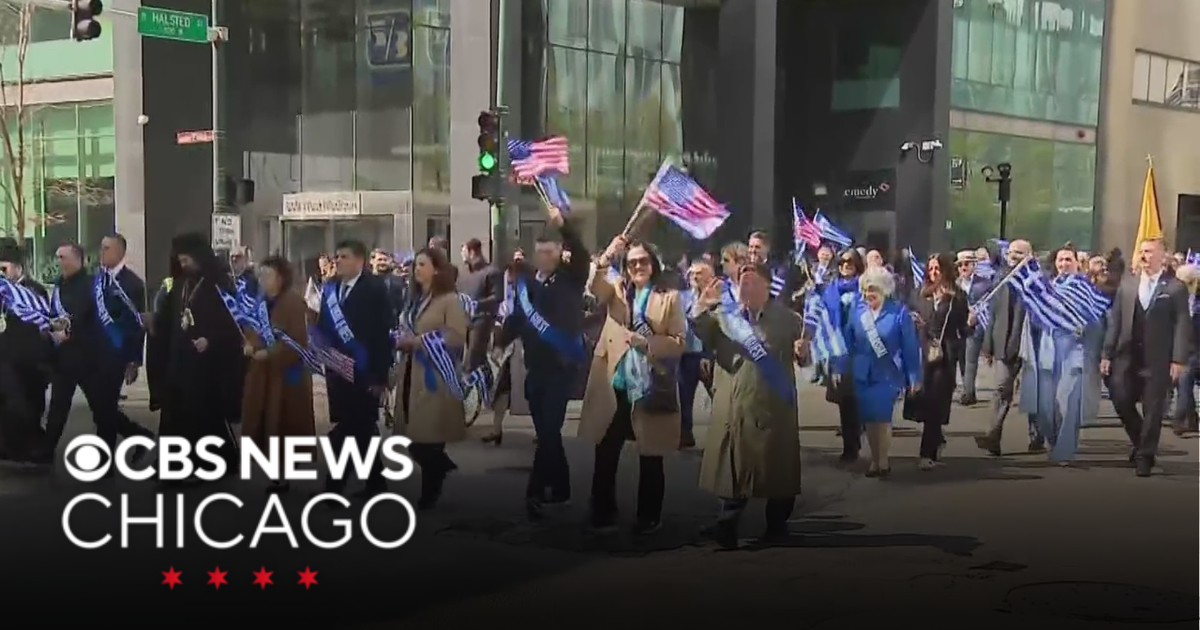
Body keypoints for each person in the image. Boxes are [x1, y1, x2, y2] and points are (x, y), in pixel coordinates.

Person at [693, 262, 804, 547]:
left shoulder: (788, 319)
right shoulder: (723, 315)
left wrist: (804, 352)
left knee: (778, 467)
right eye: (742, 283)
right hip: (734, 401)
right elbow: (699, 330)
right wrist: (702, 304)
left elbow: (804, 353)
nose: (746, 287)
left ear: (767, 286)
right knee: (733, 465)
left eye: (753, 282)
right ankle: (726, 527)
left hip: (772, 403)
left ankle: (777, 526)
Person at [583, 236, 685, 534]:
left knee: (651, 453)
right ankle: (602, 511)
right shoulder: (618, 290)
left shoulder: (670, 297)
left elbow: (680, 342)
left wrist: (648, 342)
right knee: (605, 448)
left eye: (643, 261)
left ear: (653, 265)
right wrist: (606, 257)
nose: (637, 266)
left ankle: (648, 516)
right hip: (616, 382)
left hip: (649, 383)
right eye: (631, 263)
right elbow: (594, 287)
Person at [495, 207, 589, 519]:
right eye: (541, 253)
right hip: (534, 367)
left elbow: (581, 253)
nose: (545, 257)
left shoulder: (571, 279)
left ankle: (534, 493)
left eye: (551, 252)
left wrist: (563, 225)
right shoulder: (528, 285)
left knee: (549, 431)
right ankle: (561, 489)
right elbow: (517, 318)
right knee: (548, 433)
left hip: (561, 368)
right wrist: (499, 343)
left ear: (560, 252)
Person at [148, 234, 242, 482]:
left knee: (203, 414)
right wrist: (156, 324)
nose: (183, 265)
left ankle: (209, 462)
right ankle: (171, 463)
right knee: (173, 412)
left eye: (187, 260)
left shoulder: (219, 284)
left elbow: (232, 323)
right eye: (180, 261)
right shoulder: (180, 284)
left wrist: (210, 339)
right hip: (179, 358)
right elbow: (169, 317)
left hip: (205, 364)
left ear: (199, 258)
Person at [1102, 237, 1192, 477]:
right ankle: (1142, 441)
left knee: (1153, 409)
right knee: (1121, 399)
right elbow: (1115, 321)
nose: (1144, 255)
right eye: (1141, 251)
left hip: (1158, 358)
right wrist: (1107, 353)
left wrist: (1178, 359)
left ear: (1163, 256)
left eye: (1150, 251)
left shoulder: (1174, 288)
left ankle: (1145, 456)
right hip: (1127, 356)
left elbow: (1182, 324)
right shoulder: (1127, 285)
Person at [315, 240, 394, 496]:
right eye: (337, 256)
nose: (338, 261)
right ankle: (375, 482)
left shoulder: (374, 289)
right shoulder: (330, 288)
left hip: (365, 370)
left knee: (350, 428)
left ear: (360, 260)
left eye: (344, 257)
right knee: (362, 430)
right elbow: (324, 325)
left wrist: (380, 376)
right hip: (337, 369)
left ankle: (334, 486)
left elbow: (382, 335)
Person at [392, 247, 468, 509]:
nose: (417, 270)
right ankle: (441, 469)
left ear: (436, 269)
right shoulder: (414, 299)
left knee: (428, 439)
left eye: (423, 265)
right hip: (410, 373)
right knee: (412, 437)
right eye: (416, 265)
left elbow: (456, 336)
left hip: (436, 375)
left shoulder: (449, 300)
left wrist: (418, 342)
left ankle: (430, 492)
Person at [239, 256, 316, 493]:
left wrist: (270, 353)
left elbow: (297, 340)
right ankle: (275, 471)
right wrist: (250, 345)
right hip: (263, 374)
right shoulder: (260, 302)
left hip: (287, 374)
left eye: (268, 275)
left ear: (281, 278)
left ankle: (282, 475)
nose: (263, 280)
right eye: (261, 275)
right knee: (264, 421)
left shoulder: (292, 302)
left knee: (284, 423)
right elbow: (252, 330)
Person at [838, 266, 922, 478]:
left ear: (884, 289)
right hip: (862, 373)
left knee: (882, 416)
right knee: (869, 418)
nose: (868, 294)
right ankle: (874, 459)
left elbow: (910, 347)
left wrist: (914, 377)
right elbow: (846, 340)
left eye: (873, 289)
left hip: (887, 373)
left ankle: (882, 461)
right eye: (865, 289)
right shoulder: (857, 311)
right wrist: (839, 366)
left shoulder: (899, 312)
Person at [977, 239, 1044, 456]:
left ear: (1029, 255)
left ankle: (1037, 436)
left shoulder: (1038, 280)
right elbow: (993, 314)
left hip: (1031, 343)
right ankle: (992, 436)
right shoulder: (1002, 278)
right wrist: (988, 345)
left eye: (1018, 253)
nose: (1012, 256)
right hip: (1005, 344)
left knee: (1033, 392)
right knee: (1001, 389)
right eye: (1011, 252)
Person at [909, 253, 972, 470]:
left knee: (935, 403)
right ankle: (936, 439)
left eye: (937, 268)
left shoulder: (958, 297)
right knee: (924, 402)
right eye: (931, 269)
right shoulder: (921, 294)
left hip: (944, 356)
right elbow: (910, 316)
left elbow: (963, 329)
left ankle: (926, 453)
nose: (934, 273)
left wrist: (971, 324)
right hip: (922, 353)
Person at [0, 246, 51, 462]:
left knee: (29, 407)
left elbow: (42, 328)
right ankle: (9, 447)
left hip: (29, 361)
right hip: (6, 359)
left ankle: (34, 448)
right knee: (8, 406)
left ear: (18, 267)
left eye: (4, 268)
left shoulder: (33, 291)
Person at [823, 248, 865, 461]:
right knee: (845, 401)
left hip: (861, 350)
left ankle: (859, 439)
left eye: (850, 262)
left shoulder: (865, 287)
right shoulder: (831, 290)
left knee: (858, 400)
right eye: (841, 262)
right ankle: (850, 446)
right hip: (839, 351)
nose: (845, 266)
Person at [98, 233, 148, 403]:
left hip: (117, 352)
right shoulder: (96, 281)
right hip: (95, 352)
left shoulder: (133, 284)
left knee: (106, 404)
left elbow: (137, 324)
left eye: (106, 248)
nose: (101, 252)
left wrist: (134, 360)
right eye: (101, 248)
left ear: (119, 252)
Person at [678, 259, 715, 448]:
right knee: (684, 397)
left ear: (710, 277)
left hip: (711, 355)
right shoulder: (682, 298)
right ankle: (684, 434)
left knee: (719, 396)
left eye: (699, 273)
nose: (694, 276)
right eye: (692, 273)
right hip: (687, 354)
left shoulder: (718, 298)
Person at [457, 237, 504, 371]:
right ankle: (487, 381)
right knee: (475, 361)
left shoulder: (491, 272)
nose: (461, 254)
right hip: (463, 321)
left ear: (472, 252)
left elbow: (498, 296)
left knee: (472, 360)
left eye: (463, 251)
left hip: (482, 320)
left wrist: (476, 304)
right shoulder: (463, 273)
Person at [955, 250, 993, 406]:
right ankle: (968, 390)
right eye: (960, 265)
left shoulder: (984, 284)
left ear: (974, 265)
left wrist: (977, 315)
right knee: (962, 361)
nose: (963, 267)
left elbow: (990, 305)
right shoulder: (955, 284)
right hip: (959, 328)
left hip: (976, 328)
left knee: (970, 360)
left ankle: (968, 393)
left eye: (966, 264)